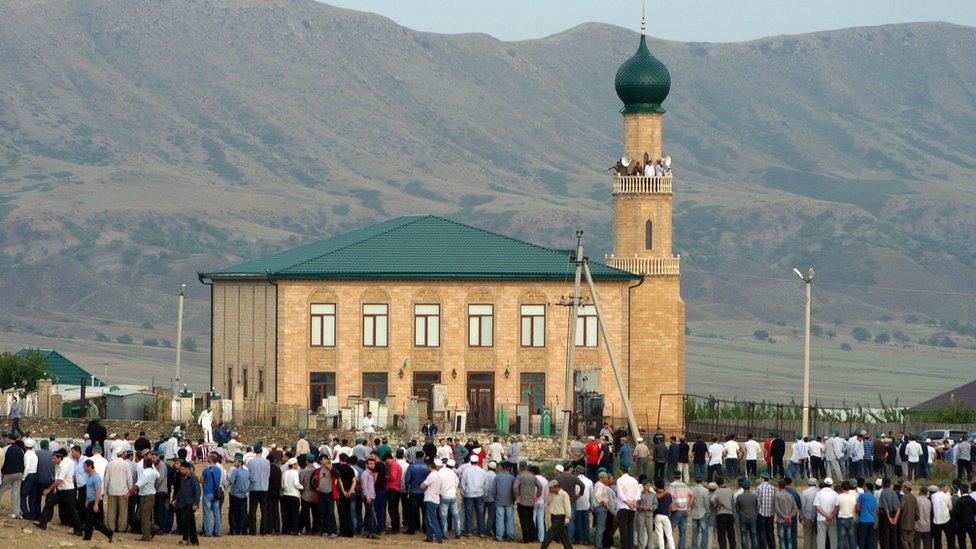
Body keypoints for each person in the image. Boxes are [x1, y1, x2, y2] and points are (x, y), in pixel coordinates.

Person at [34, 448, 82, 534]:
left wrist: (48, 489)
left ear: (59, 457)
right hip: (62, 490)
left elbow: (59, 480)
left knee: (72, 510)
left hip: (67, 491)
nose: (53, 460)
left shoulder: (64, 465)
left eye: (54, 458)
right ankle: (43, 523)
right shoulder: (61, 464)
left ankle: (78, 530)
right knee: (49, 503)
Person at [79, 459, 113, 541]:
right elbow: (88, 489)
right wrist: (87, 500)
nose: (84, 469)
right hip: (91, 501)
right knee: (94, 521)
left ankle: (87, 536)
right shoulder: (90, 476)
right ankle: (108, 533)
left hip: (96, 501)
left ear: (90, 466)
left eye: (85, 467)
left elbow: (98, 491)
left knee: (89, 519)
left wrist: (96, 504)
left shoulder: (96, 477)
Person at [103, 447, 132, 532]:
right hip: (123, 490)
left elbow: (107, 478)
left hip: (112, 490)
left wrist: (106, 489)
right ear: (122, 453)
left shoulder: (110, 464)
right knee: (123, 511)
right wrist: (130, 490)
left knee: (111, 510)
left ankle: (111, 527)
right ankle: (121, 528)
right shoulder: (126, 464)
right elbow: (129, 478)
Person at [173, 459, 200, 545]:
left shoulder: (193, 478)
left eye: (182, 469)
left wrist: (196, 503)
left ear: (188, 469)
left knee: (185, 520)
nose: (181, 471)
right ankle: (194, 540)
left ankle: (186, 538)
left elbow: (197, 491)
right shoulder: (183, 478)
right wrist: (176, 499)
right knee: (191, 522)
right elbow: (180, 490)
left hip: (190, 504)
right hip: (183, 503)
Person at [460, 454, 487, 536]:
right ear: (478, 461)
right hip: (479, 494)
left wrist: (464, 492)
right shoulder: (482, 471)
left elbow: (463, 483)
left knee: (468, 513)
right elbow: (485, 484)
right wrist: (483, 492)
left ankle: (469, 532)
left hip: (468, 495)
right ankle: (481, 532)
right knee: (480, 513)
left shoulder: (466, 471)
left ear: (470, 462)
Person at [541, 479, 573, 549]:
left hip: (560, 517)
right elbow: (548, 503)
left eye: (551, 488)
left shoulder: (564, 494)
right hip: (554, 516)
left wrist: (567, 517)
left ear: (556, 487)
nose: (550, 490)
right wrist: (550, 494)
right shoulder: (552, 494)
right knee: (563, 536)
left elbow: (567, 506)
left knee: (549, 534)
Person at [247, 443, 270, 535]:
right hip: (264, 488)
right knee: (264, 511)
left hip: (254, 488)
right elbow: (268, 474)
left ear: (254, 451)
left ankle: (252, 530)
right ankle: (263, 530)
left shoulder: (251, 462)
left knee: (252, 510)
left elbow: (249, 475)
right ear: (261, 451)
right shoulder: (267, 462)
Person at [516, 461, 541, 542]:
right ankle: (532, 537)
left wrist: (517, 496)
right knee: (530, 520)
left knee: (524, 521)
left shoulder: (519, 476)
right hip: (531, 502)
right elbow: (540, 487)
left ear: (520, 467)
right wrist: (536, 496)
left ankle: (526, 538)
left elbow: (514, 487)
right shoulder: (533, 476)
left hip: (522, 501)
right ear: (526, 467)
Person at [1, 431, 25, 518]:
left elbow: (2, 461)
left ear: (9, 439)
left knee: (1, 490)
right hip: (19, 473)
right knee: (16, 492)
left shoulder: (6, 449)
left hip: (8, 473)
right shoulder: (20, 449)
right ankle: (16, 513)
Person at [617, 464, 640, 549]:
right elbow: (638, 493)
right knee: (630, 528)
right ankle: (631, 547)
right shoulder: (634, 480)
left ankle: (624, 547)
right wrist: (633, 502)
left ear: (621, 470)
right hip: (633, 507)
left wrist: (628, 502)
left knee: (623, 529)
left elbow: (620, 494)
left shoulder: (620, 480)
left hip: (624, 507)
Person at [493, 461, 517, 542]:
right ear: (509, 468)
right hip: (509, 501)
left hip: (499, 500)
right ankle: (510, 536)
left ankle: (500, 536)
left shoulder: (497, 477)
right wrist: (514, 499)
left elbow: (493, 490)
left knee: (499, 518)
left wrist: (495, 498)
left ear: (501, 467)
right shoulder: (512, 477)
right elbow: (514, 490)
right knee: (509, 518)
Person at [422, 459, 444, 543]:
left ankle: (438, 537)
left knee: (432, 519)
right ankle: (430, 536)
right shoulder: (438, 475)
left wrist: (423, 485)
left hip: (431, 499)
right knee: (428, 519)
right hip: (434, 498)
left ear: (430, 467)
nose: (426, 468)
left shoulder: (431, 475)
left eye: (427, 467)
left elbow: (423, 486)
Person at [201, 453, 223, 537]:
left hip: (207, 492)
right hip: (216, 493)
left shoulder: (206, 470)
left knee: (207, 513)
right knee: (217, 513)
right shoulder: (219, 470)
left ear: (211, 460)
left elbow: (202, 480)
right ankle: (217, 532)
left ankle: (208, 532)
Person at [877, 477, 901, 549]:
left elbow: (885, 507)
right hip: (894, 514)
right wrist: (896, 518)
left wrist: (889, 518)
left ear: (883, 484)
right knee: (893, 535)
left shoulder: (883, 492)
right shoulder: (893, 493)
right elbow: (898, 507)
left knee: (885, 536)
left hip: (885, 516)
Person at [815, 478, 839, 549]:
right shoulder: (835, 494)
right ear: (831, 484)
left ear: (824, 484)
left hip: (821, 519)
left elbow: (817, 507)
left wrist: (825, 515)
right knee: (833, 538)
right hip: (832, 519)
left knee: (821, 538)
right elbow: (837, 507)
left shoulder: (819, 493)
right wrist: (831, 516)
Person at [775, 480, 798, 549]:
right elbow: (795, 507)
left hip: (781, 520)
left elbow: (777, 508)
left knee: (782, 540)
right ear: (785, 486)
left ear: (779, 486)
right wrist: (790, 516)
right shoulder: (790, 495)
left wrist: (784, 516)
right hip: (789, 520)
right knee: (789, 539)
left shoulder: (777, 495)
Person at [714, 477, 736, 549]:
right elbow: (733, 502)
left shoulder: (716, 491)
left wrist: (717, 506)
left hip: (721, 514)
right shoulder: (730, 490)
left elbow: (712, 500)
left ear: (717, 483)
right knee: (731, 535)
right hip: (730, 514)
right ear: (723, 481)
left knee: (721, 536)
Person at [737, 478, 759, 549]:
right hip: (752, 516)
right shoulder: (754, 496)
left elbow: (737, 508)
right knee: (753, 535)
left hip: (743, 517)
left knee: (744, 535)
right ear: (750, 486)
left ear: (742, 487)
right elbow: (757, 507)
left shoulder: (739, 496)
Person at [756, 473, 776, 549]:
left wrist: (757, 512)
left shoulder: (759, 487)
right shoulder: (773, 488)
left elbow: (757, 502)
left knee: (762, 532)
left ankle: (763, 547)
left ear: (762, 478)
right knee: (770, 532)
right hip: (771, 514)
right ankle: (772, 547)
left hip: (761, 513)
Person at [894, 483, 917, 549]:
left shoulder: (904, 497)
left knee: (904, 540)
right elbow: (917, 511)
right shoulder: (913, 497)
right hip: (912, 523)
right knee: (911, 540)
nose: (902, 489)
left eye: (903, 487)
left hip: (904, 522)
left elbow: (901, 508)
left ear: (906, 488)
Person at [836, 481, 858, 549]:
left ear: (842, 488)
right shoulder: (853, 497)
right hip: (851, 518)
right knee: (852, 538)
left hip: (841, 519)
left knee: (841, 539)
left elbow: (836, 508)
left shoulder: (839, 496)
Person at [930, 483, 952, 549]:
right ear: (942, 487)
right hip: (946, 519)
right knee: (949, 538)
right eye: (946, 487)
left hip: (936, 520)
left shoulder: (933, 496)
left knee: (937, 539)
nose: (947, 489)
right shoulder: (947, 496)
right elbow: (950, 507)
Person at [690, 474, 710, 549]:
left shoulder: (692, 489)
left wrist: (692, 509)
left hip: (694, 513)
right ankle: (703, 547)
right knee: (704, 533)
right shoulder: (705, 491)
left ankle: (694, 547)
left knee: (695, 533)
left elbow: (690, 502)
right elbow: (707, 503)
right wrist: (708, 512)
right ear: (702, 481)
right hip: (703, 513)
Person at [856, 482, 878, 549]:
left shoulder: (862, 496)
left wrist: (861, 510)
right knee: (869, 539)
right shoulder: (874, 498)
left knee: (862, 539)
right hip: (871, 520)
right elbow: (874, 509)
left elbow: (857, 508)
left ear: (866, 487)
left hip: (863, 520)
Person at [801, 478, 820, 549]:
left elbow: (803, 506)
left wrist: (802, 516)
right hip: (817, 517)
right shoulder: (818, 491)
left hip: (807, 516)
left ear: (808, 484)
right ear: (816, 483)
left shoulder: (804, 492)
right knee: (815, 535)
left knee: (807, 535)